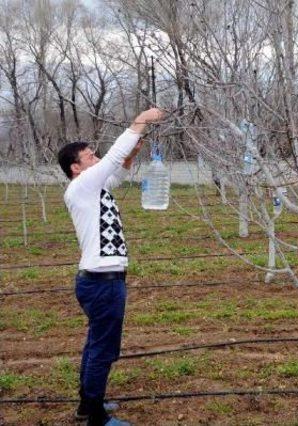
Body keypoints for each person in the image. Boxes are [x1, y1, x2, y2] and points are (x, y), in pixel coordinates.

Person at [57, 108, 165, 426]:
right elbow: (112, 160)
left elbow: (118, 170)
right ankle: (96, 417)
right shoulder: (81, 186)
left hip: (101, 280)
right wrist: (141, 121)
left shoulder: (96, 189)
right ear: (76, 167)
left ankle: (86, 404)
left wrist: (132, 152)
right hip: (102, 282)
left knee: (97, 344)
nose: (96, 158)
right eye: (90, 156)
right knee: (103, 349)